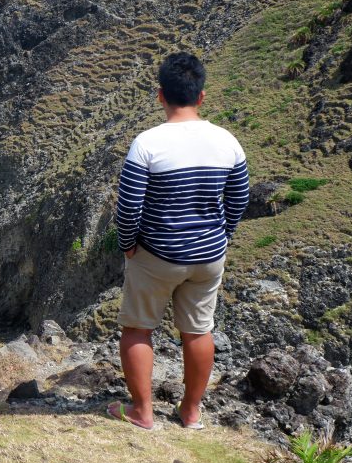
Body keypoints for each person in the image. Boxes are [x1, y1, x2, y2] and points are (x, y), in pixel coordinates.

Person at [107, 52, 249, 430]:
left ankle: (142, 411)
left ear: (160, 95)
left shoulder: (148, 143)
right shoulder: (228, 142)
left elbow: (129, 206)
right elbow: (239, 199)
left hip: (157, 253)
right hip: (208, 256)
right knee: (199, 331)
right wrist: (224, 235)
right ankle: (190, 412)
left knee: (138, 328)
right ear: (201, 96)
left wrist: (127, 244)